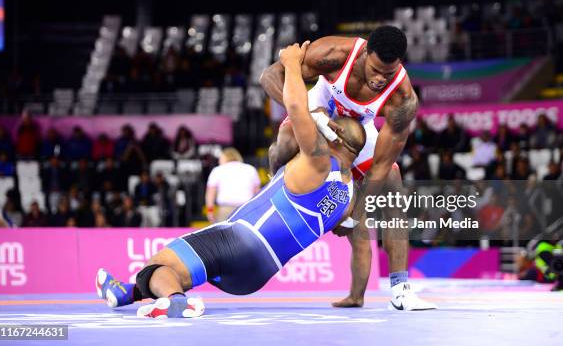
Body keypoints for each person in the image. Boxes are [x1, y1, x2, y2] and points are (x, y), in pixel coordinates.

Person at [95, 42, 367, 318]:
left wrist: (293, 62)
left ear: (336, 137)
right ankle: (125, 292)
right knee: (183, 269)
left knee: (158, 265)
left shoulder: (318, 161)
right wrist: (357, 295)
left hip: (242, 239)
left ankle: (178, 302)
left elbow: (296, 107)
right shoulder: (349, 196)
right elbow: (354, 238)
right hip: (257, 276)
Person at [260, 26, 435, 310]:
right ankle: (276, 174)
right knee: (287, 140)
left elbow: (380, 164)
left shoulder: (403, 98)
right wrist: (306, 114)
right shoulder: (335, 53)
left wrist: (356, 214)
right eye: (375, 70)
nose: (380, 80)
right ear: (365, 53)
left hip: (358, 135)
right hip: (317, 112)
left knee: (392, 182)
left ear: (399, 65)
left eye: (387, 74)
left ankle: (399, 289)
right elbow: (269, 76)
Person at [205, 147, 261, 222]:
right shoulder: (251, 169)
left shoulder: (217, 170)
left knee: (224, 233)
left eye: (220, 158)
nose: (218, 161)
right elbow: (257, 193)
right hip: (246, 210)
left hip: (226, 210)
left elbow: (211, 193)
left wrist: (210, 211)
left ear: (225, 158)